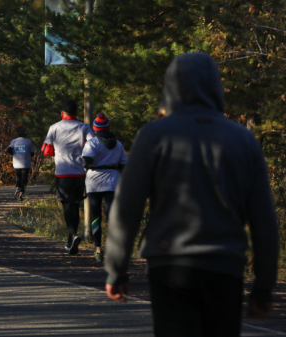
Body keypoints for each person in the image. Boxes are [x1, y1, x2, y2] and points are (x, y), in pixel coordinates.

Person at [104, 52, 279, 337]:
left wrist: (117, 269)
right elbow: (263, 220)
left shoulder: (154, 136)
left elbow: (127, 207)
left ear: (170, 86)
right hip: (226, 266)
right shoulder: (242, 140)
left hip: (170, 265)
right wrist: (263, 285)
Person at [42, 100, 94, 255]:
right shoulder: (84, 127)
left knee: (66, 205)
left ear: (62, 113)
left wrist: (57, 153)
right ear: (77, 113)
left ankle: (72, 235)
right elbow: (93, 145)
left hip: (63, 172)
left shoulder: (54, 128)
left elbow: (46, 150)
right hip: (80, 173)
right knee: (76, 205)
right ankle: (71, 238)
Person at [82, 112, 127, 262]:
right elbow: (124, 164)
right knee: (111, 214)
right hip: (113, 180)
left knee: (96, 215)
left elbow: (87, 160)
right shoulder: (118, 144)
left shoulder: (92, 143)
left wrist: (88, 164)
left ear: (95, 129)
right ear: (108, 128)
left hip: (94, 181)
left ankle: (98, 248)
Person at [6, 126, 35, 201]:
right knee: (24, 179)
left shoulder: (14, 141)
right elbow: (32, 153)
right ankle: (21, 194)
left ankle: (17, 188)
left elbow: (8, 150)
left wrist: (15, 154)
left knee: (18, 178)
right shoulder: (29, 141)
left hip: (16, 163)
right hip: (26, 163)